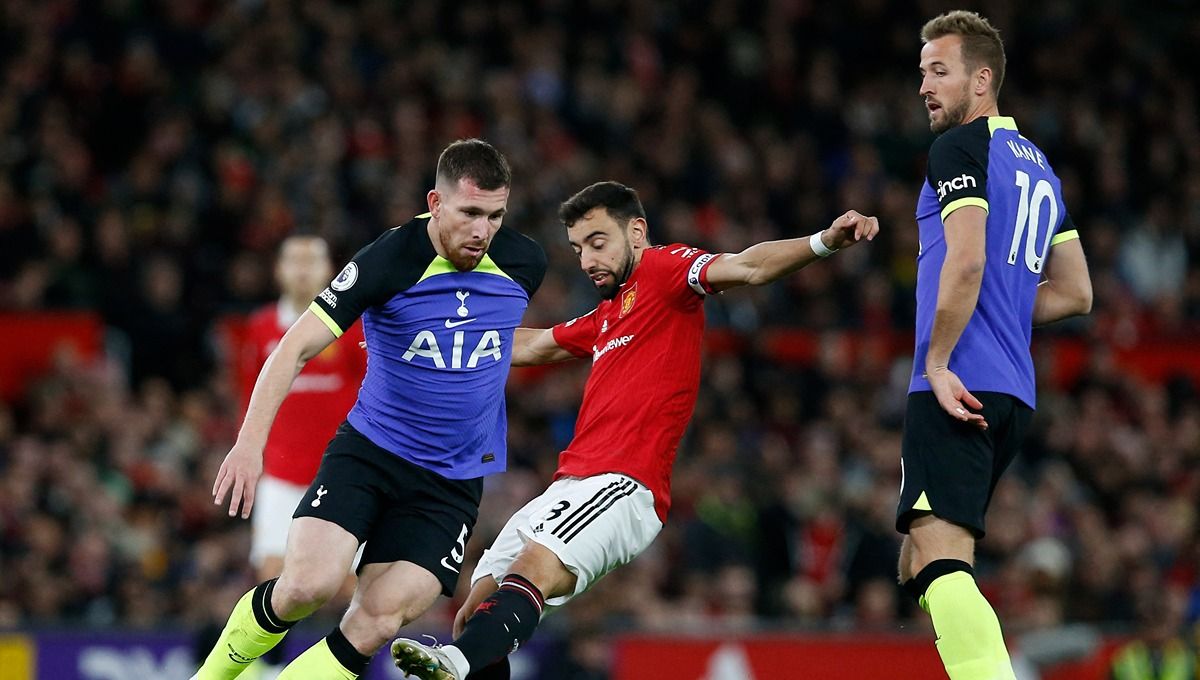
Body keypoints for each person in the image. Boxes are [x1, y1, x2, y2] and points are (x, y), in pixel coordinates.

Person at [392, 180, 879, 680]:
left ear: (637, 232)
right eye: (579, 249)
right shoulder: (608, 313)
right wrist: (430, 332)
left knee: (536, 565)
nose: (586, 261)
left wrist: (825, 241)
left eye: (598, 243)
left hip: (625, 484)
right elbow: (536, 346)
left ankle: (453, 664)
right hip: (570, 484)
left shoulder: (666, 270)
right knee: (478, 607)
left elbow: (748, 266)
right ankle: (463, 656)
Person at [192, 138, 547, 680]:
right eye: (470, 213)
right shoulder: (390, 258)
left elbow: (499, 338)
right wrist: (247, 445)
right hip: (371, 454)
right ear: (435, 202)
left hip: (449, 484)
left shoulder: (524, 262)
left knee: (379, 618)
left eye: (495, 216)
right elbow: (294, 347)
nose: (482, 230)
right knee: (307, 586)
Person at [894, 11, 1093, 680]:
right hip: (1014, 392)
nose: (925, 85)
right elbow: (1075, 293)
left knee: (942, 559)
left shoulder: (959, 148)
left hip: (959, 384)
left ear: (982, 80)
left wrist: (939, 361)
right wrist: (1007, 307)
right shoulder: (1039, 167)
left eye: (939, 71)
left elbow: (969, 259)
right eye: (922, 71)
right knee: (928, 558)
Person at [228, 235, 367, 677]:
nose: (304, 269)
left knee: (349, 587)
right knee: (272, 577)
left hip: (340, 474)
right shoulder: (261, 327)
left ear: (330, 270)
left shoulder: (353, 326)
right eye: (295, 260)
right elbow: (248, 392)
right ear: (279, 270)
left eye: (314, 260)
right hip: (281, 474)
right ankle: (264, 669)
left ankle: (343, 668)